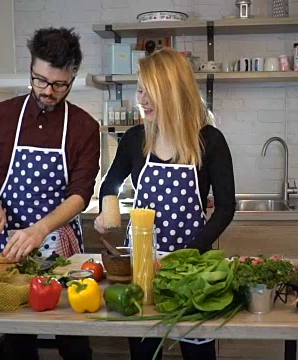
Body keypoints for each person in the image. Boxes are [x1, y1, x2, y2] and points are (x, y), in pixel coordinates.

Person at [94, 47, 236, 360]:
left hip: (192, 269)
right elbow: (111, 183)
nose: (142, 100)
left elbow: (226, 208)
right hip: (142, 264)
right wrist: (107, 210)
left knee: (197, 351)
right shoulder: (134, 139)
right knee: (145, 350)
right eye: (140, 90)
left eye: (151, 92)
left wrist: (184, 257)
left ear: (173, 92)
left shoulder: (209, 141)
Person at [0, 27, 99, 360]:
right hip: (6, 243)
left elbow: (81, 194)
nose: (47, 91)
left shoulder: (84, 126)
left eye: (58, 84)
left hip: (59, 245)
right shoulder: (0, 116)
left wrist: (41, 228)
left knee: (72, 334)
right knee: (14, 338)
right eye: (39, 80)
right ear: (31, 68)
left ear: (72, 78)